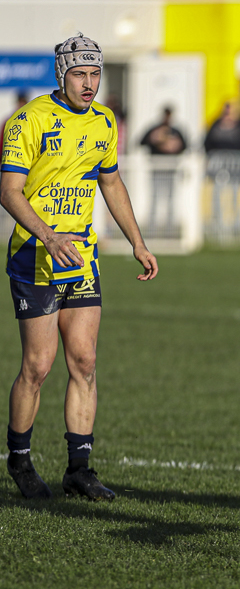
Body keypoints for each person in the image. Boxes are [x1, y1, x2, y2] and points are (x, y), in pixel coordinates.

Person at [0, 34, 159, 501]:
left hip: (82, 258)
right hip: (36, 256)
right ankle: (20, 460)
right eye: (79, 74)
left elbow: (110, 182)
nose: (89, 84)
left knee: (85, 361)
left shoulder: (105, 121)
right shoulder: (28, 121)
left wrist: (137, 242)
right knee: (37, 366)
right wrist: (48, 234)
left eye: (95, 74)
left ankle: (79, 469)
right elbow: (9, 191)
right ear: (60, 74)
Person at [140, 106, 187, 234]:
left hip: (171, 169)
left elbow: (185, 145)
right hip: (157, 168)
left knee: (171, 198)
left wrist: (174, 145)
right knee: (154, 197)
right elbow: (141, 141)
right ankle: (152, 229)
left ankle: (169, 230)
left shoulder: (176, 131)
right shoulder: (155, 129)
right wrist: (155, 139)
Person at [203, 101, 240, 230]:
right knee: (217, 194)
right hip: (219, 165)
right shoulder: (216, 125)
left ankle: (237, 225)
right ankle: (217, 223)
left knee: (235, 195)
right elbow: (207, 143)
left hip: (236, 165)